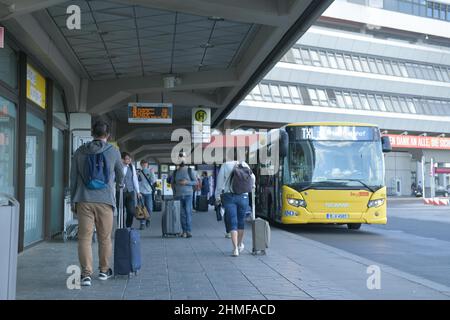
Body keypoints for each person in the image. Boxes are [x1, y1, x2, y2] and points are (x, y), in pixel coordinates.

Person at [70, 120, 124, 287]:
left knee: (84, 238)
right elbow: (120, 174)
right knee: (105, 238)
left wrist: (74, 200)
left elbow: (73, 178)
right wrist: (118, 184)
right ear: (108, 135)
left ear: (92, 133)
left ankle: (86, 275)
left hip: (84, 200)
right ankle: (103, 270)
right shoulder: (113, 151)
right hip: (105, 201)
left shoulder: (79, 151)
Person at [215, 156, 255, 257]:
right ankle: (240, 244)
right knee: (240, 222)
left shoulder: (225, 165)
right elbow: (253, 178)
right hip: (243, 196)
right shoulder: (244, 164)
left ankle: (235, 249)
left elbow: (219, 184)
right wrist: (252, 186)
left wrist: (217, 196)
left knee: (233, 221)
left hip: (229, 196)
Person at [168, 152, 197, 238]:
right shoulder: (175, 172)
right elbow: (172, 183)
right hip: (178, 195)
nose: (181, 159)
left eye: (183, 157)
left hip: (188, 195)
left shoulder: (189, 170)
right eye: (180, 158)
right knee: (181, 214)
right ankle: (184, 231)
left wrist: (186, 182)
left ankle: (188, 231)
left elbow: (196, 182)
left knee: (188, 212)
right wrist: (174, 193)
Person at [119, 152, 142, 229]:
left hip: (131, 191)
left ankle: (128, 226)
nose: (129, 160)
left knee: (131, 211)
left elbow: (135, 179)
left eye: (130, 158)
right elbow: (112, 178)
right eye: (127, 159)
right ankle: (121, 227)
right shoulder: (118, 166)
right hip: (120, 192)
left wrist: (138, 192)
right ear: (122, 159)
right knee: (121, 211)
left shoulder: (132, 167)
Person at [137, 160, 156, 229]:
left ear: (147, 165)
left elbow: (153, 181)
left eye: (145, 164)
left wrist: (152, 173)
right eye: (143, 164)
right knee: (141, 208)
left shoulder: (150, 171)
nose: (144, 165)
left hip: (148, 192)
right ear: (141, 165)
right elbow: (136, 181)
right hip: (141, 192)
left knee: (149, 208)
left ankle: (148, 219)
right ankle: (142, 223)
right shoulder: (138, 172)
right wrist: (137, 191)